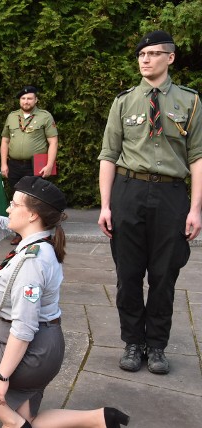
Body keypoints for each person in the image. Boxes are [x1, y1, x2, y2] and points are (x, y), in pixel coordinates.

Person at [0, 176, 130, 428]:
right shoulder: (35, 248)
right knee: (29, 419)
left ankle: (14, 423)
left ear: (32, 215)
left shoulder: (32, 260)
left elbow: (24, 327)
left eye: (14, 204)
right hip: (45, 346)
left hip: (33, 351)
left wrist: (2, 375)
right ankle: (100, 418)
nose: (8, 209)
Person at [98, 30, 202, 375]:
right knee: (127, 275)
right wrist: (105, 205)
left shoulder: (190, 102)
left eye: (155, 53)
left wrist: (195, 208)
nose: (146, 59)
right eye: (142, 54)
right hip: (128, 191)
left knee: (164, 275)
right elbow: (108, 156)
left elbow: (198, 157)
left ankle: (156, 346)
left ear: (170, 58)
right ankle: (133, 341)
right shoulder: (124, 101)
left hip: (171, 196)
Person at [0, 86, 58, 245]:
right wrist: (4, 164)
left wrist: (49, 164)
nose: (26, 101)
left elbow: (53, 142)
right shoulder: (12, 117)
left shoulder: (45, 116)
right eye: (23, 99)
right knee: (17, 198)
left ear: (36, 100)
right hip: (14, 164)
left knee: (35, 199)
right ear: (20, 100)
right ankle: (20, 232)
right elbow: (5, 141)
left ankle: (39, 230)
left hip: (36, 164)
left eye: (30, 98)